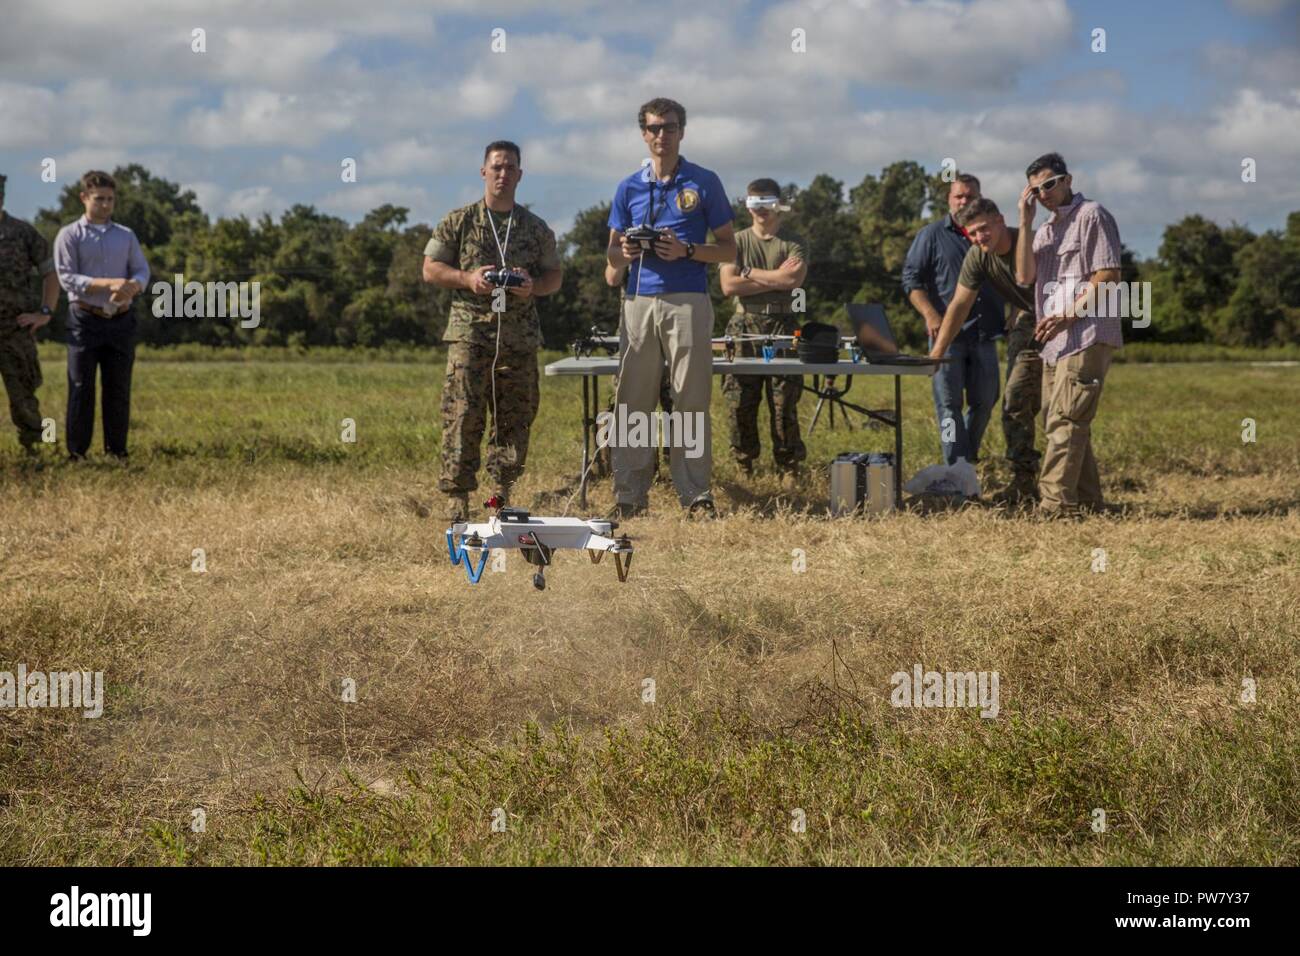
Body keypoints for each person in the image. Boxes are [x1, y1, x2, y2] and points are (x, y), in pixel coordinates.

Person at [605, 97, 736, 519]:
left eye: (670, 127)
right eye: (654, 128)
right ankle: (629, 494)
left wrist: (687, 249)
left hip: (688, 302)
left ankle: (696, 495)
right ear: (643, 134)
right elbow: (610, 261)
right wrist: (624, 250)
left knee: (690, 399)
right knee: (632, 401)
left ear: (682, 131)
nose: (662, 135)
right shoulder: (628, 187)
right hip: (638, 301)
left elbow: (729, 248)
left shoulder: (704, 182)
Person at [423, 141, 563, 521]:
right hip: (471, 333)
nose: (503, 174)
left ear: (520, 174)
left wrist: (532, 286)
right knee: (463, 414)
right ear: (483, 171)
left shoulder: (535, 229)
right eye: (497, 167)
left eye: (510, 168)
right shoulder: (460, 221)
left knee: (515, 417)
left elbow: (554, 276)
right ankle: (457, 496)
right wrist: (467, 278)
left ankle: (502, 492)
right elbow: (431, 268)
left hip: (517, 336)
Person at [1015, 152, 1123, 516]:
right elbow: (1024, 276)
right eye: (1035, 190)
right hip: (1054, 341)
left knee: (1067, 418)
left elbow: (1108, 276)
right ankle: (1089, 503)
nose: (1043, 193)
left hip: (1087, 332)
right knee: (1061, 420)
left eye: (1048, 184)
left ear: (1067, 180)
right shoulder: (1044, 229)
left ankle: (1055, 505)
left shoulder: (1092, 215)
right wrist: (1026, 222)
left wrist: (1067, 315)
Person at [928, 197, 1042, 506]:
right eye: (972, 234)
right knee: (1016, 400)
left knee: (1059, 409)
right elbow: (959, 305)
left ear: (1000, 220)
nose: (979, 238)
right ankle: (1025, 482)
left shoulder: (1031, 241)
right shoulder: (978, 257)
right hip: (1029, 323)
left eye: (983, 230)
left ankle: (1066, 485)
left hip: (1062, 319)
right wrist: (937, 354)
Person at [901, 173, 1004, 468]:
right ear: (948, 200)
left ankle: (965, 460)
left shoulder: (990, 234)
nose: (963, 201)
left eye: (970, 196)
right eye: (958, 196)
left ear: (980, 199)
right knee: (948, 407)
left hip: (985, 333)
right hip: (947, 337)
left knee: (985, 403)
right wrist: (930, 314)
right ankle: (955, 467)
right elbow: (910, 280)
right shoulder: (931, 235)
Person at [53, 170, 151, 461]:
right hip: (85, 318)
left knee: (118, 387)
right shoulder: (69, 235)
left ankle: (117, 451)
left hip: (120, 319)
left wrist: (134, 286)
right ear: (84, 197)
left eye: (110, 199)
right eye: (99, 199)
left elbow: (141, 269)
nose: (106, 205)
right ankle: (77, 452)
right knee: (81, 386)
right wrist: (107, 283)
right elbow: (67, 278)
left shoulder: (126, 235)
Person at [718, 179, 808, 486]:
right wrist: (775, 278)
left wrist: (748, 272)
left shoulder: (793, 243)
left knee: (784, 398)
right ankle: (745, 465)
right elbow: (729, 286)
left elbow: (793, 280)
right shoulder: (736, 241)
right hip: (744, 326)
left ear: (778, 205)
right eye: (753, 203)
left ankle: (789, 466)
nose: (759, 210)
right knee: (740, 399)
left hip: (783, 325)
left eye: (765, 203)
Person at [0, 174, 60, 462]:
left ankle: (36, 453)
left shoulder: (23, 233)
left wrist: (45, 312)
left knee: (24, 397)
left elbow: (51, 273)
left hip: (14, 330)